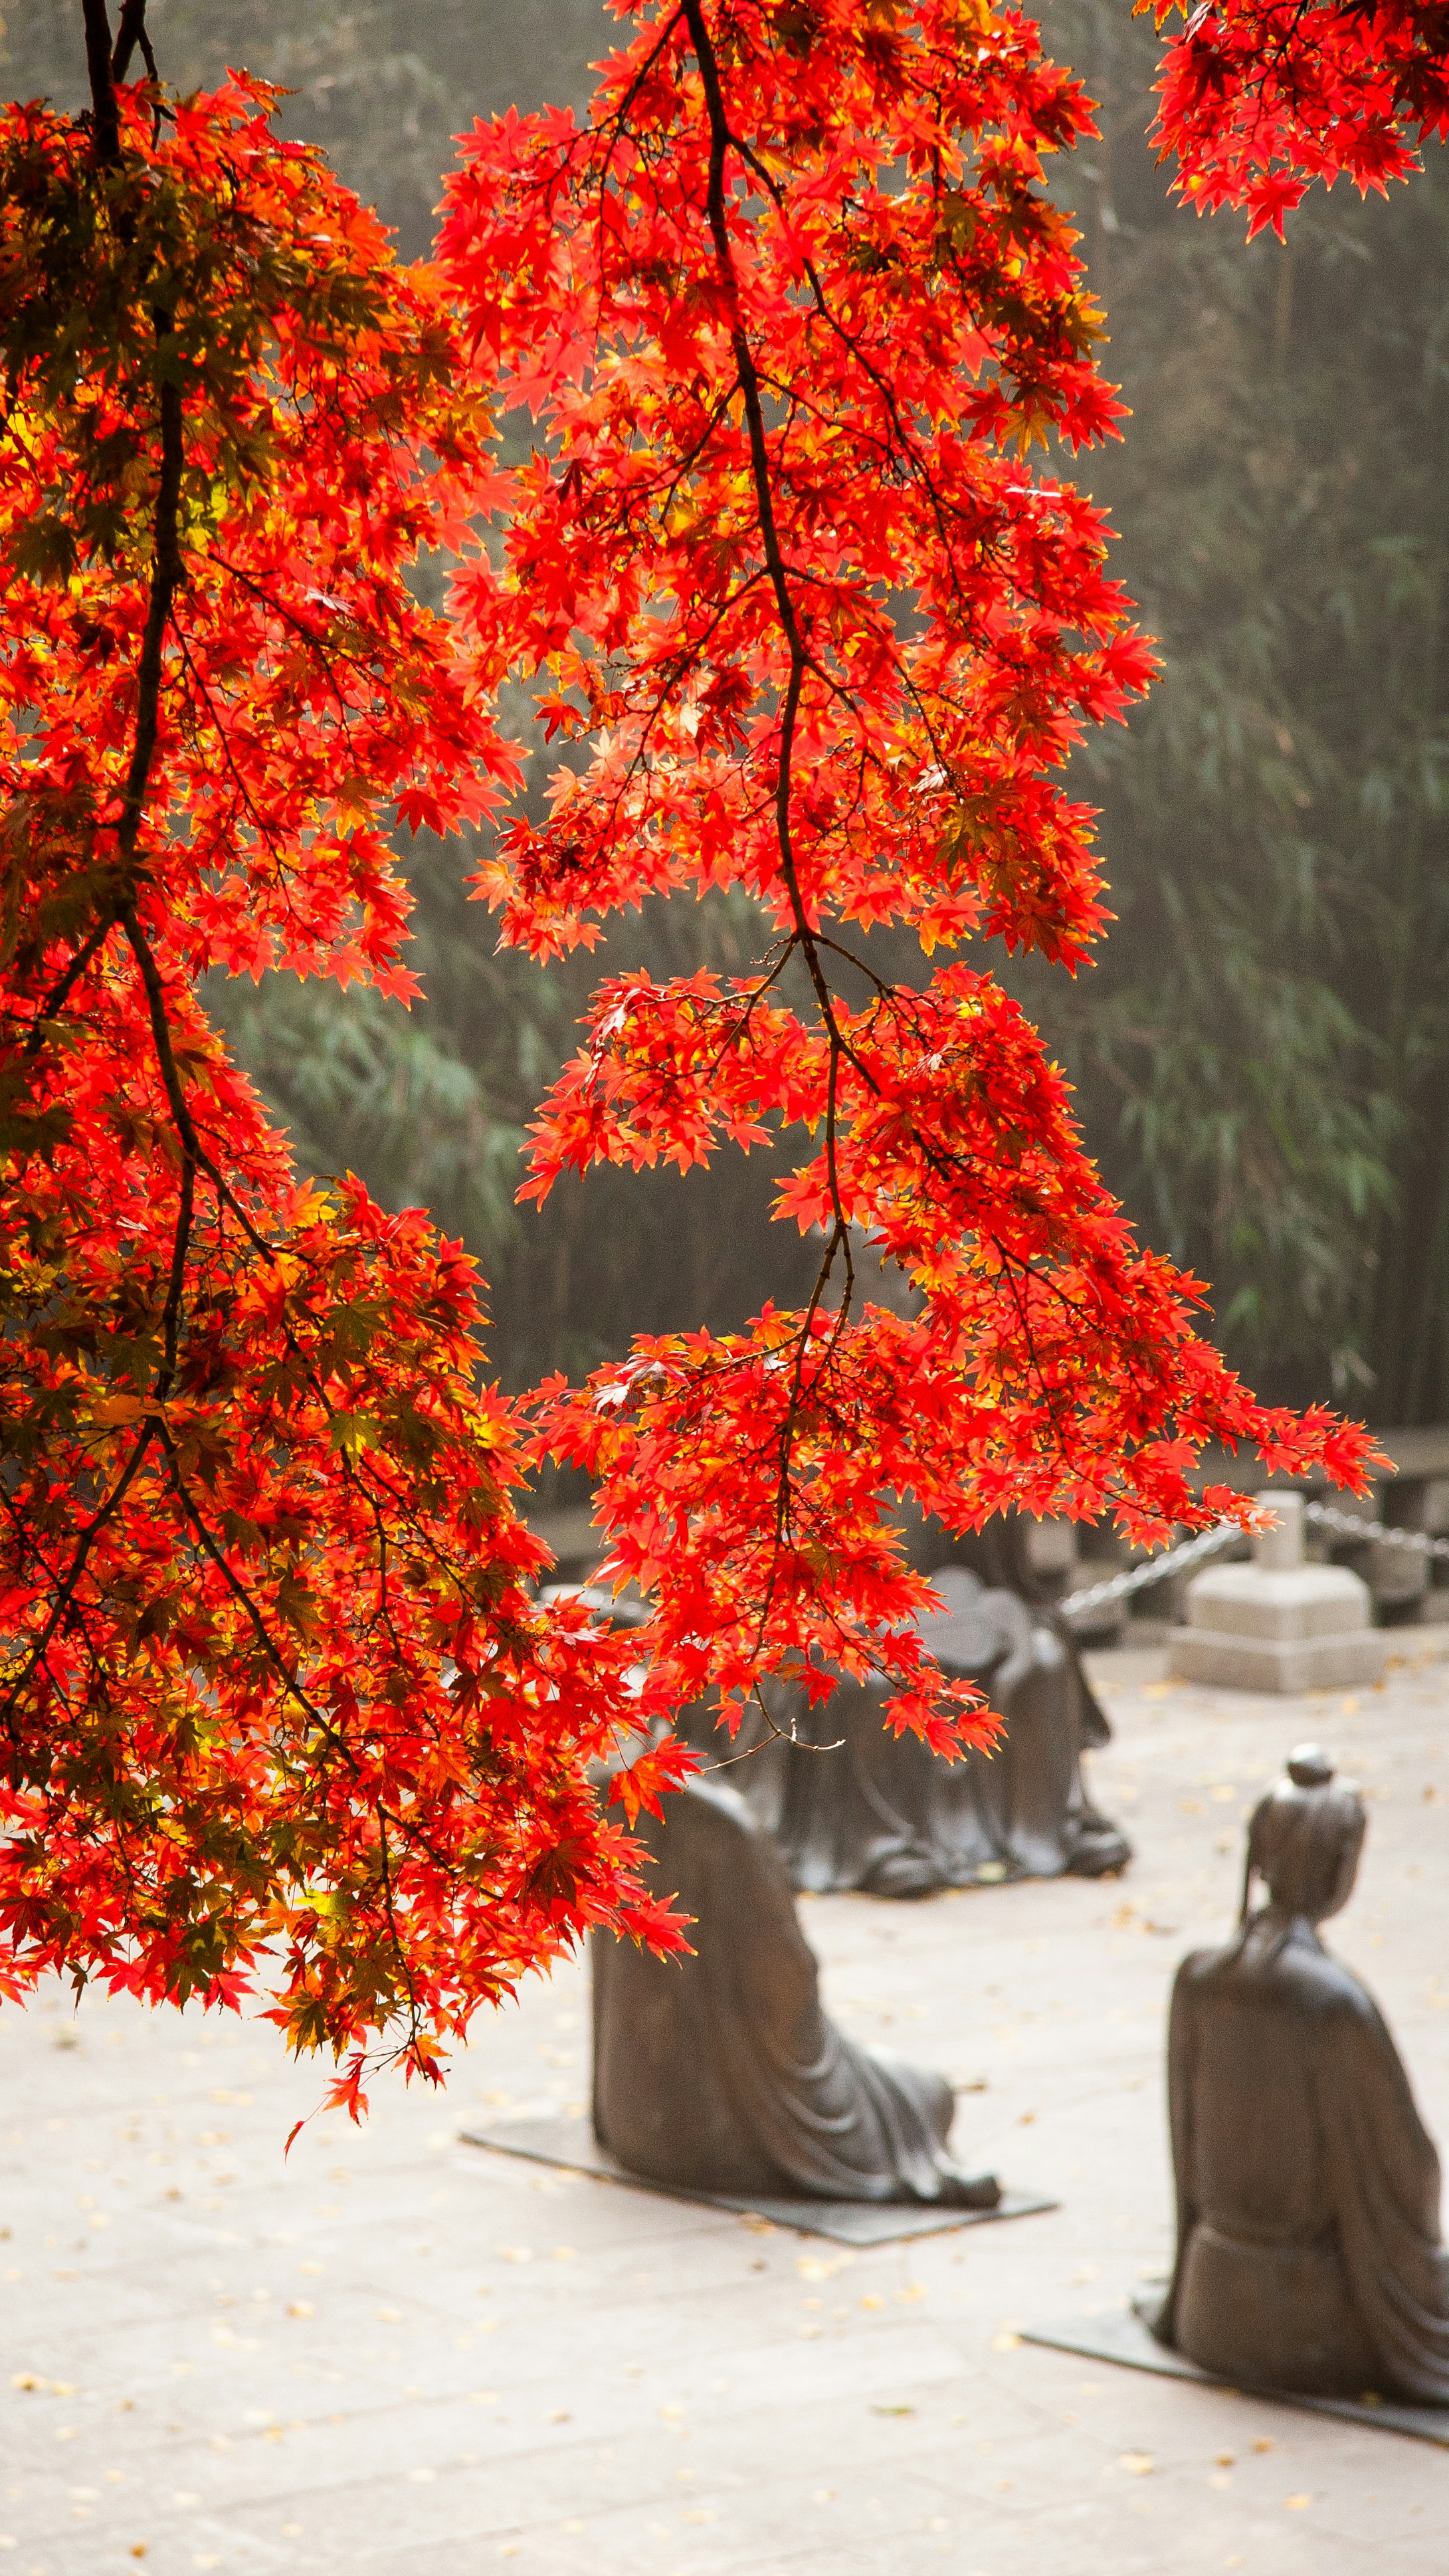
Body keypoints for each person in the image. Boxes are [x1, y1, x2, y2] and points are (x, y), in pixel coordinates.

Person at [1151, 1745, 1449, 2402]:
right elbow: (1408, 2170)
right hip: (1313, 2318)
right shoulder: (1331, 2001)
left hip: (1210, 2303)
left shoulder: (1199, 1976)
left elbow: (1188, 2149)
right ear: (1342, 1867)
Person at [591, 1756, 1001, 2207]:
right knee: (925, 2090)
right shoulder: (729, 1826)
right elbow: (785, 1984)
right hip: (723, 2140)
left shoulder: (605, 1787)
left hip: (633, 2118)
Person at [741, 1513, 1129, 1897]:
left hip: (954, 1617)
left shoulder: (953, 1466)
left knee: (1045, 1660)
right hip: (846, 1629)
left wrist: (1007, 1618)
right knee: (870, 1685)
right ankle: (881, 1844)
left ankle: (1051, 1825)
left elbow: (1004, 1578)